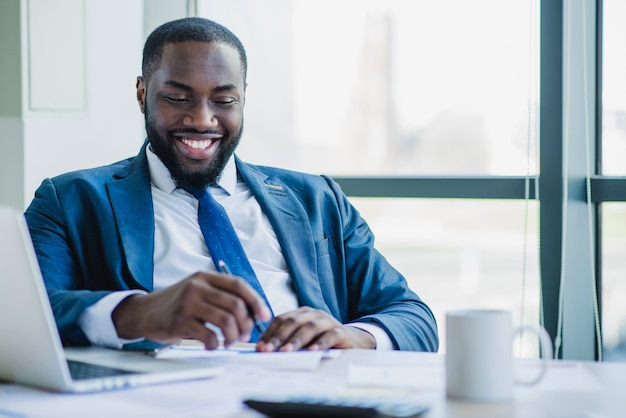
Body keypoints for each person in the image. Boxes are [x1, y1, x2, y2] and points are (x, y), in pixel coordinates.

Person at [24, 17, 438, 353]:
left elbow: (412, 317)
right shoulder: (70, 200)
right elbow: (23, 315)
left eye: (224, 101)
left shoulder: (317, 199)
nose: (203, 120)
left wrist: (355, 337)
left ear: (243, 99)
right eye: (178, 98)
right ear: (142, 93)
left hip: (307, 395)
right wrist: (140, 313)